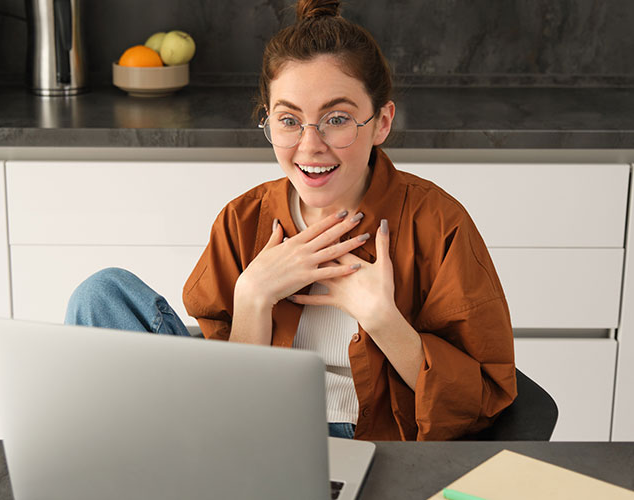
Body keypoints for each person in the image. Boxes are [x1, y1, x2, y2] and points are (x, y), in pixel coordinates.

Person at [66, 0, 517, 441]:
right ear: (269, 121)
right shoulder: (243, 220)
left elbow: (481, 403)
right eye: (289, 120)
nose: (310, 145)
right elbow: (228, 396)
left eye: (336, 119)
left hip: (358, 443)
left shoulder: (439, 223)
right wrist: (252, 297)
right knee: (101, 294)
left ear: (381, 122)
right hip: (247, 431)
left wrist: (384, 319)